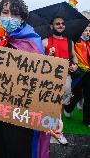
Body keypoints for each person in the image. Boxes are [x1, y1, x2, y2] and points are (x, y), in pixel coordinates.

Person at [0, 0, 63, 158]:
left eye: (15, 14)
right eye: (5, 12)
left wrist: (55, 115)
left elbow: (45, 82)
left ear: (22, 18)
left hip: (20, 116)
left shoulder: (32, 43)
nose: (10, 17)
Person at [42, 16, 78, 145]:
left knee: (60, 105)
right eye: (57, 24)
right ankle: (47, 132)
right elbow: (38, 63)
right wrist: (48, 55)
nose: (61, 26)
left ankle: (57, 132)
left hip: (65, 77)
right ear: (52, 26)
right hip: (49, 77)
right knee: (49, 105)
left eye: (63, 23)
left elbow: (74, 58)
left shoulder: (70, 42)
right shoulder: (45, 41)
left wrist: (75, 65)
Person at [64, 25, 90, 127]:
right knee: (77, 94)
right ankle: (68, 108)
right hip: (79, 72)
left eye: (89, 31)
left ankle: (87, 120)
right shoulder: (75, 42)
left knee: (88, 96)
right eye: (86, 30)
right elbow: (71, 56)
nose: (88, 32)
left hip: (89, 73)